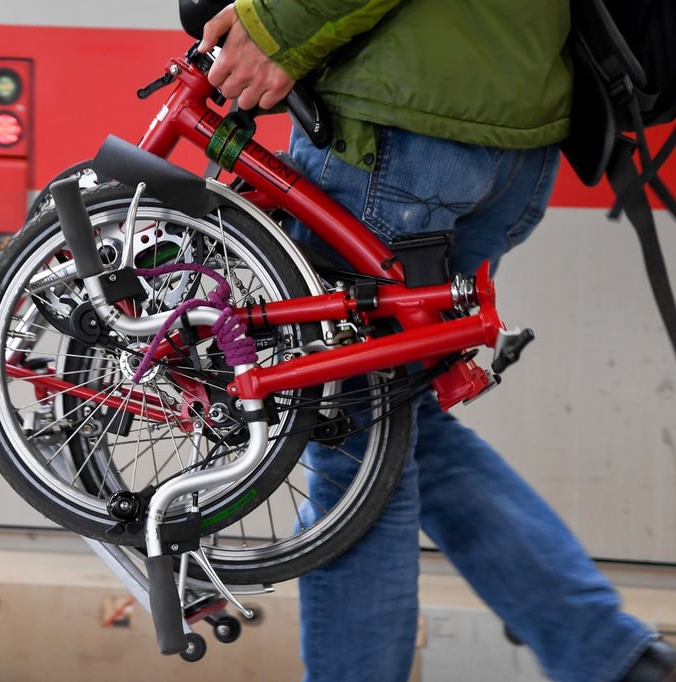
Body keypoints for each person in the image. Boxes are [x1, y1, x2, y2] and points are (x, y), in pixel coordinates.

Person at [198, 2, 676, 681]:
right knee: (399, 418)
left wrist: (277, 22)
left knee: (354, 443)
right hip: (518, 136)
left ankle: (598, 652)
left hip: (402, 130)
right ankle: (607, 655)